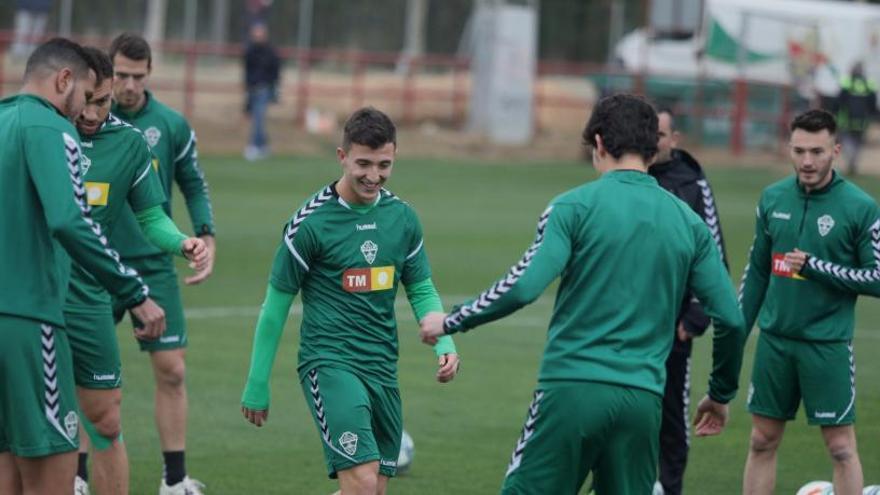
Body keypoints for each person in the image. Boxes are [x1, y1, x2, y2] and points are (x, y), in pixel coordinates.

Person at [420, 94, 747, 495]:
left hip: (571, 391)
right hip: (643, 401)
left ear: (598, 143)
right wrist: (720, 392)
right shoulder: (689, 223)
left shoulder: (572, 207)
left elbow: (523, 286)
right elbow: (731, 317)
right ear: (652, 146)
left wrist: (452, 320)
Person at [241, 107, 461, 495]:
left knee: (372, 489)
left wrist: (445, 341)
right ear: (342, 157)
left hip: (381, 366)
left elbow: (421, 289)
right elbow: (274, 308)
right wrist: (257, 383)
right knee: (360, 483)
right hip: (329, 363)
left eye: (383, 164)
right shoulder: (309, 224)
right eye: (363, 163)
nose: (373, 176)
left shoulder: (403, 219)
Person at [0, 37, 160, 495]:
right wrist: (134, 292)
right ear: (64, 80)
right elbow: (71, 220)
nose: (85, 112)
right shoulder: (54, 130)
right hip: (32, 324)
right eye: (85, 97)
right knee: (53, 468)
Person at [69, 47, 209, 495]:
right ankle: (72, 475)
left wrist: (188, 239)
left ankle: (173, 477)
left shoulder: (137, 138)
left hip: (128, 273)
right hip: (53, 282)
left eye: (103, 100)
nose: (93, 112)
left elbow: (156, 213)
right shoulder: (41, 130)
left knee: (125, 397)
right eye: (87, 99)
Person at [740, 109, 878, 495]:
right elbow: (757, 274)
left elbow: (879, 277)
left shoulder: (860, 207)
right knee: (761, 441)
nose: (806, 161)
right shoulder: (772, 198)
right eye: (799, 150)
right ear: (789, 148)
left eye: (816, 151)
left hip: (827, 345)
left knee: (841, 448)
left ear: (835, 149)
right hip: (775, 343)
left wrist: (816, 267)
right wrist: (736, 331)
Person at [107, 33, 216, 495]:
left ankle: (174, 480)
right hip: (96, 263)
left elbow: (192, 181)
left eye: (137, 75)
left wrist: (206, 232)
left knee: (172, 369)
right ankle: (72, 477)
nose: (129, 85)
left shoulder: (170, 125)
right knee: (80, 370)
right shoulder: (85, 120)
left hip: (153, 262)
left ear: (149, 74)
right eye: (120, 75)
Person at [649, 108, 729, 495]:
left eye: (660, 135)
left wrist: (695, 316)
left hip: (673, 326)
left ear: (674, 138)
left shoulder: (692, 183)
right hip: (627, 320)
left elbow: (713, 252)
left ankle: (670, 488)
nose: (654, 143)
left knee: (671, 418)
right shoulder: (629, 176)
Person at [243, 22, 280, 161]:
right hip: (252, 88)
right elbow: (247, 71)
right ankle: (263, 145)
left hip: (264, 88)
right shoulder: (250, 51)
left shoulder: (270, 52)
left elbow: (275, 71)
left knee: (259, 118)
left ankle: (254, 146)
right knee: (257, 118)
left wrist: (274, 88)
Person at [835, 62, 877, 175]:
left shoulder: (846, 82)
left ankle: (851, 160)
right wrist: (873, 116)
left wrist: (836, 113)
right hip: (862, 121)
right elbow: (873, 103)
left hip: (846, 120)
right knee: (858, 142)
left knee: (846, 140)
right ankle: (853, 161)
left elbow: (839, 101)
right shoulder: (869, 84)